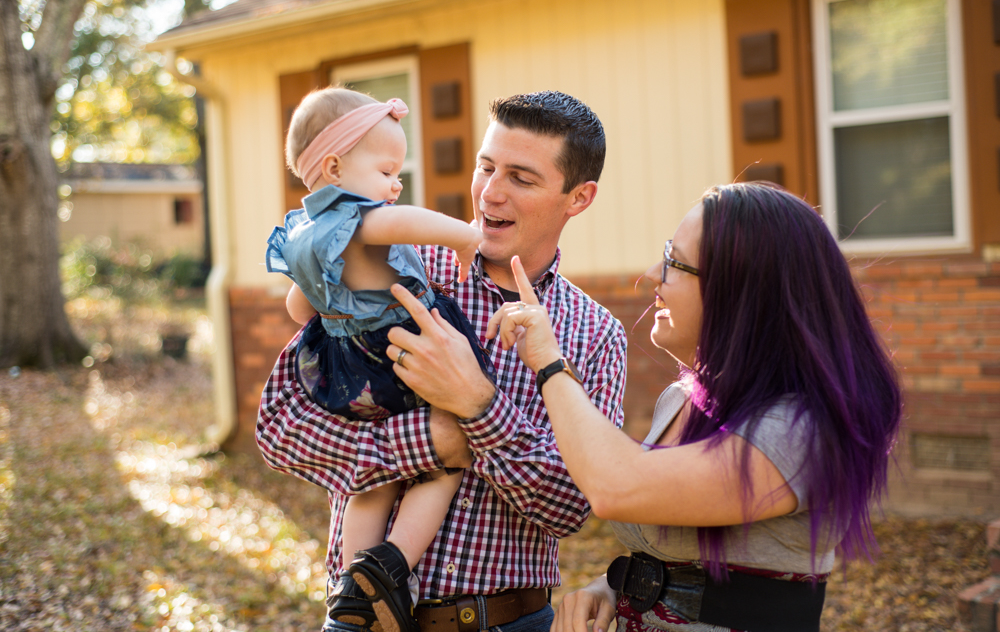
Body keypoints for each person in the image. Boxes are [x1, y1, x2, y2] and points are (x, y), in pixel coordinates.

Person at [257, 90, 628, 632]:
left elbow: (570, 507)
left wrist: (479, 409)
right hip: (361, 623)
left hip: (509, 622)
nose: (490, 194)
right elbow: (279, 430)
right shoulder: (393, 264)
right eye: (486, 167)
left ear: (579, 197)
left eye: (521, 179)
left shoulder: (595, 334)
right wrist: (427, 443)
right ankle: (371, 581)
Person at [472, 182, 903, 632]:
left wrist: (549, 363)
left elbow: (616, 485)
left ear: (741, 292)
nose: (653, 273)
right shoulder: (679, 400)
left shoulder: (798, 430)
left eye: (675, 262)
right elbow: (687, 559)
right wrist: (616, 588)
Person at [263, 86, 497, 632]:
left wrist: (342, 311)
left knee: (368, 483)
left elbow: (300, 308)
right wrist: (465, 236)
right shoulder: (362, 220)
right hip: (402, 358)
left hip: (346, 372)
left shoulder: (304, 234)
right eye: (387, 169)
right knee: (445, 465)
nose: (395, 184)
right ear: (335, 165)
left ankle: (353, 597)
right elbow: (405, 222)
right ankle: (392, 565)